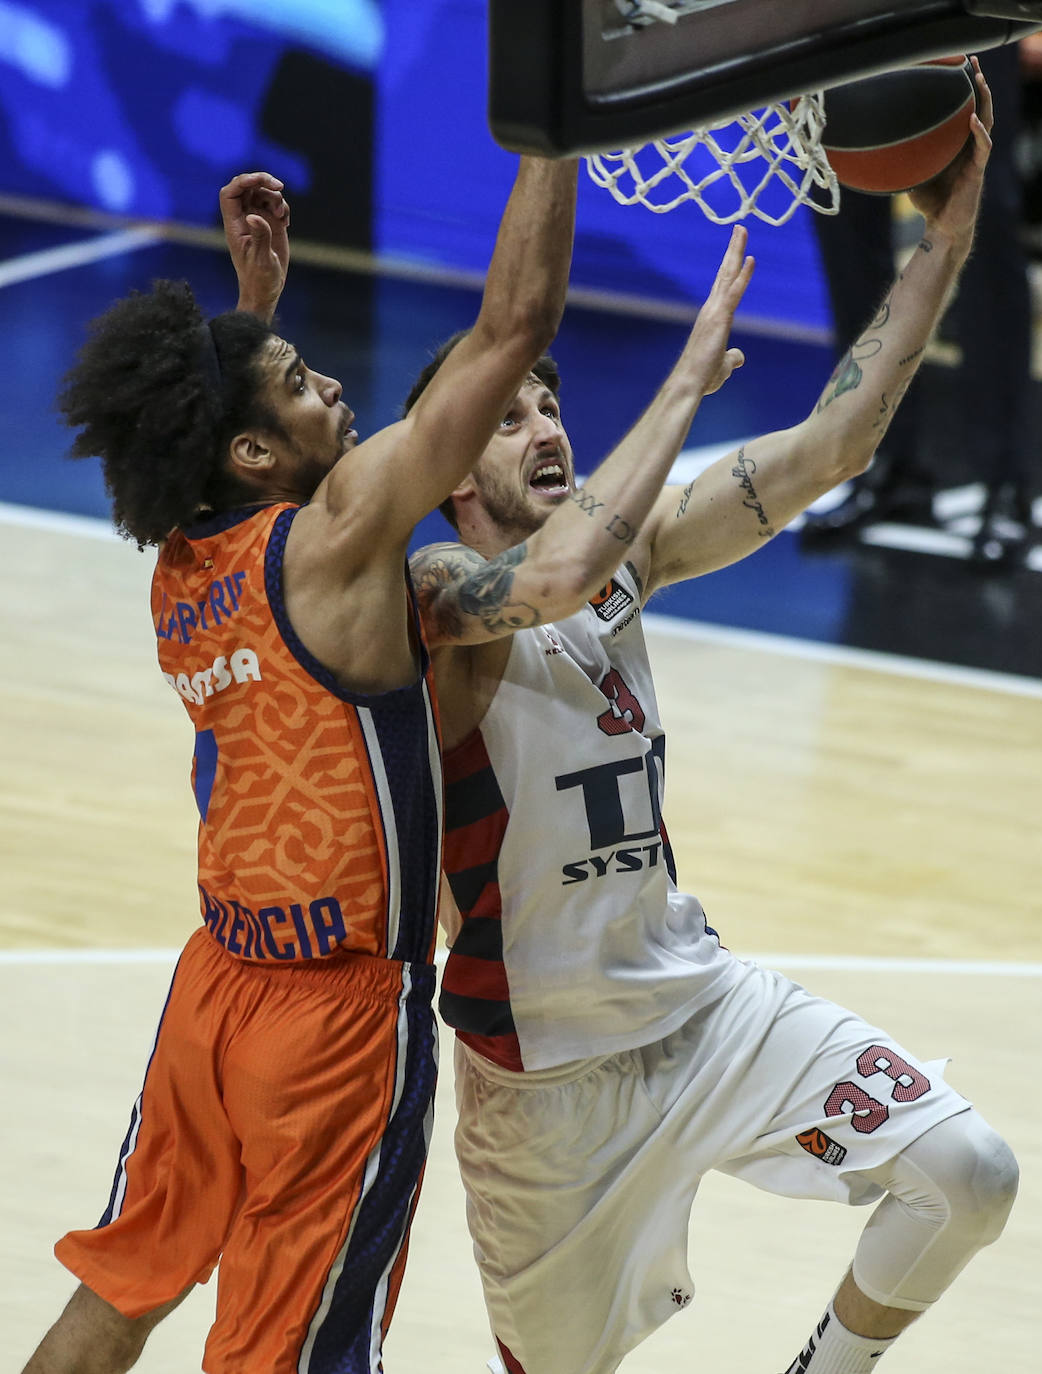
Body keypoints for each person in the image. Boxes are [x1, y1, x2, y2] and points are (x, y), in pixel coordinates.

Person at [402, 61, 1017, 1374]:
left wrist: (945, 245)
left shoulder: (629, 552)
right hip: (546, 1088)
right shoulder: (433, 595)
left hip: (700, 1007)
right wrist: (682, 385)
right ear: (447, 470)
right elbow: (553, 574)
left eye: (552, 402)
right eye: (507, 417)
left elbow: (833, 443)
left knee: (968, 1167)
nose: (544, 425)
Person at [21, 154, 579, 1374]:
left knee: (119, 1294)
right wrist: (555, 130)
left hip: (214, 990)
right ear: (256, 456)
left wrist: (251, 308)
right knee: (288, 1356)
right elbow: (513, 328)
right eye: (300, 383)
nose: (333, 384)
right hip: (332, 1025)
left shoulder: (181, 549)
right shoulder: (337, 537)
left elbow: (207, 440)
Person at [801, 45, 1035, 570]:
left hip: (964, 15)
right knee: (840, 208)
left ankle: (1005, 481)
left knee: (986, 216)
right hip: (840, 17)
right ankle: (887, 465)